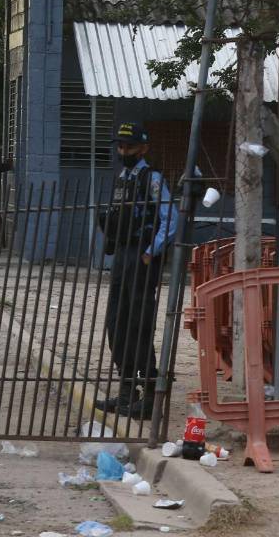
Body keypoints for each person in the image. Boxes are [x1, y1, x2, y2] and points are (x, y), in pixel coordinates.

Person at [96, 122, 178, 419]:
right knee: (117, 325)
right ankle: (128, 391)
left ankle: (149, 396)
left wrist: (149, 252)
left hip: (141, 259)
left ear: (143, 148)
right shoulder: (123, 177)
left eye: (129, 147)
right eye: (120, 146)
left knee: (140, 325)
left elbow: (170, 220)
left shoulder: (151, 179)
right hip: (121, 255)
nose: (123, 151)